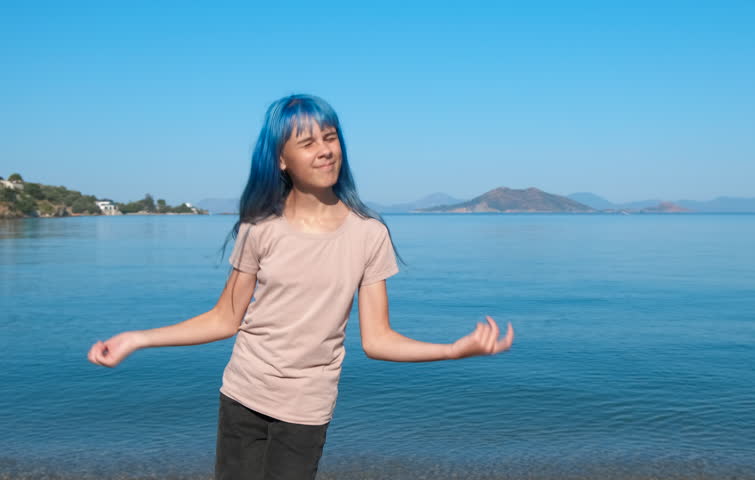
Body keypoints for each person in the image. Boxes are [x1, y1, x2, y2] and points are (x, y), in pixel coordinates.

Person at [86, 94, 514, 480]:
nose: (326, 150)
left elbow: (379, 340)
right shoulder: (260, 228)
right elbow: (224, 318)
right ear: (281, 159)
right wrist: (136, 339)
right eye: (308, 143)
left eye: (330, 137)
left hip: (305, 410)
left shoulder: (369, 234)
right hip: (242, 395)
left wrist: (453, 350)